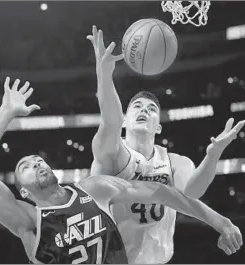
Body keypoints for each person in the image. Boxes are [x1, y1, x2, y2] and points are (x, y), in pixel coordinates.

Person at [0, 78, 243, 264]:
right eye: (26, 166)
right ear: (22, 190)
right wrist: (4, 113)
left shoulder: (94, 189)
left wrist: (220, 222)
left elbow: (162, 193)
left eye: (38, 160)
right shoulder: (29, 221)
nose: (36, 164)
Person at [87, 25, 245, 263]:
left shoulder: (174, 162)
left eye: (151, 109)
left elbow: (191, 193)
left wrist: (212, 156)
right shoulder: (111, 154)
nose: (144, 110)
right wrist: (104, 75)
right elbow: (109, 119)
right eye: (137, 107)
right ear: (125, 120)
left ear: (158, 127)